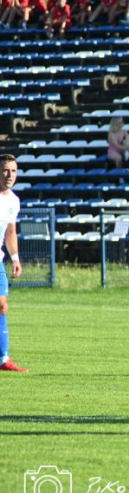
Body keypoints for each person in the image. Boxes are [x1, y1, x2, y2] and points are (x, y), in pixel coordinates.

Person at [0, 155, 24, 372]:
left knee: (2, 306)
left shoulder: (13, 201)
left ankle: (3, 359)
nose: (9, 175)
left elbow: (10, 231)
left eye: (13, 171)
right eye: (6, 170)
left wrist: (15, 258)